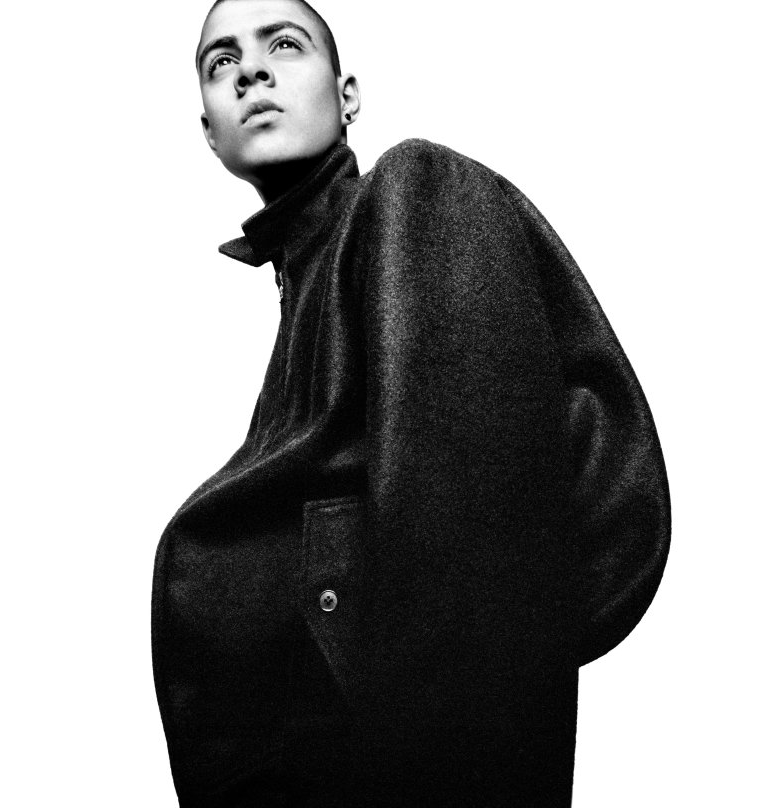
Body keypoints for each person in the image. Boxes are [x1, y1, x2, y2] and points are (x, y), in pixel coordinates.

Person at [150, 0, 671, 805]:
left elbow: (481, 569)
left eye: (284, 45)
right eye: (221, 63)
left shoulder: (416, 196)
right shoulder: (304, 305)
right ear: (209, 131)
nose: (250, 70)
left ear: (347, 96)